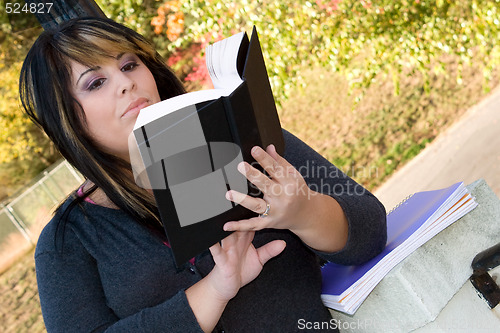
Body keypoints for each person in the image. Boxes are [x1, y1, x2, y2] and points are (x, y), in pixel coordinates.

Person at [20, 17, 387, 333]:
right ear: (67, 121)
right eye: (95, 82)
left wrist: (305, 213)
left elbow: (371, 232)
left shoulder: (246, 142)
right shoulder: (67, 241)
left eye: (129, 64)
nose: (125, 83)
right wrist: (213, 291)